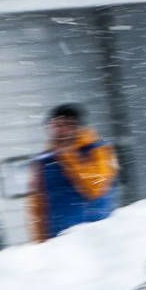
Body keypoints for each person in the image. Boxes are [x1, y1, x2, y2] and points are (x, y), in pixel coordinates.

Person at [28, 103, 121, 241]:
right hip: (59, 241)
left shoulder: (97, 151)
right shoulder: (44, 161)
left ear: (78, 126)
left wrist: (69, 156)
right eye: (55, 125)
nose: (60, 129)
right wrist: (39, 242)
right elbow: (37, 206)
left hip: (96, 238)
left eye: (65, 124)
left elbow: (95, 188)